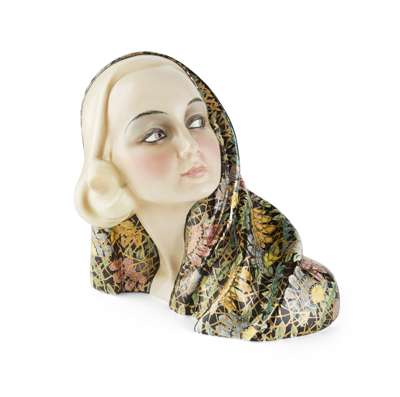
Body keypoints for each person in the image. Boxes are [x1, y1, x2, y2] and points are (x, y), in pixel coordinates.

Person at [74, 51, 340, 341]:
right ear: (106, 165)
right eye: (155, 134)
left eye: (196, 121)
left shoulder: (288, 286)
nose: (189, 145)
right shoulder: (129, 274)